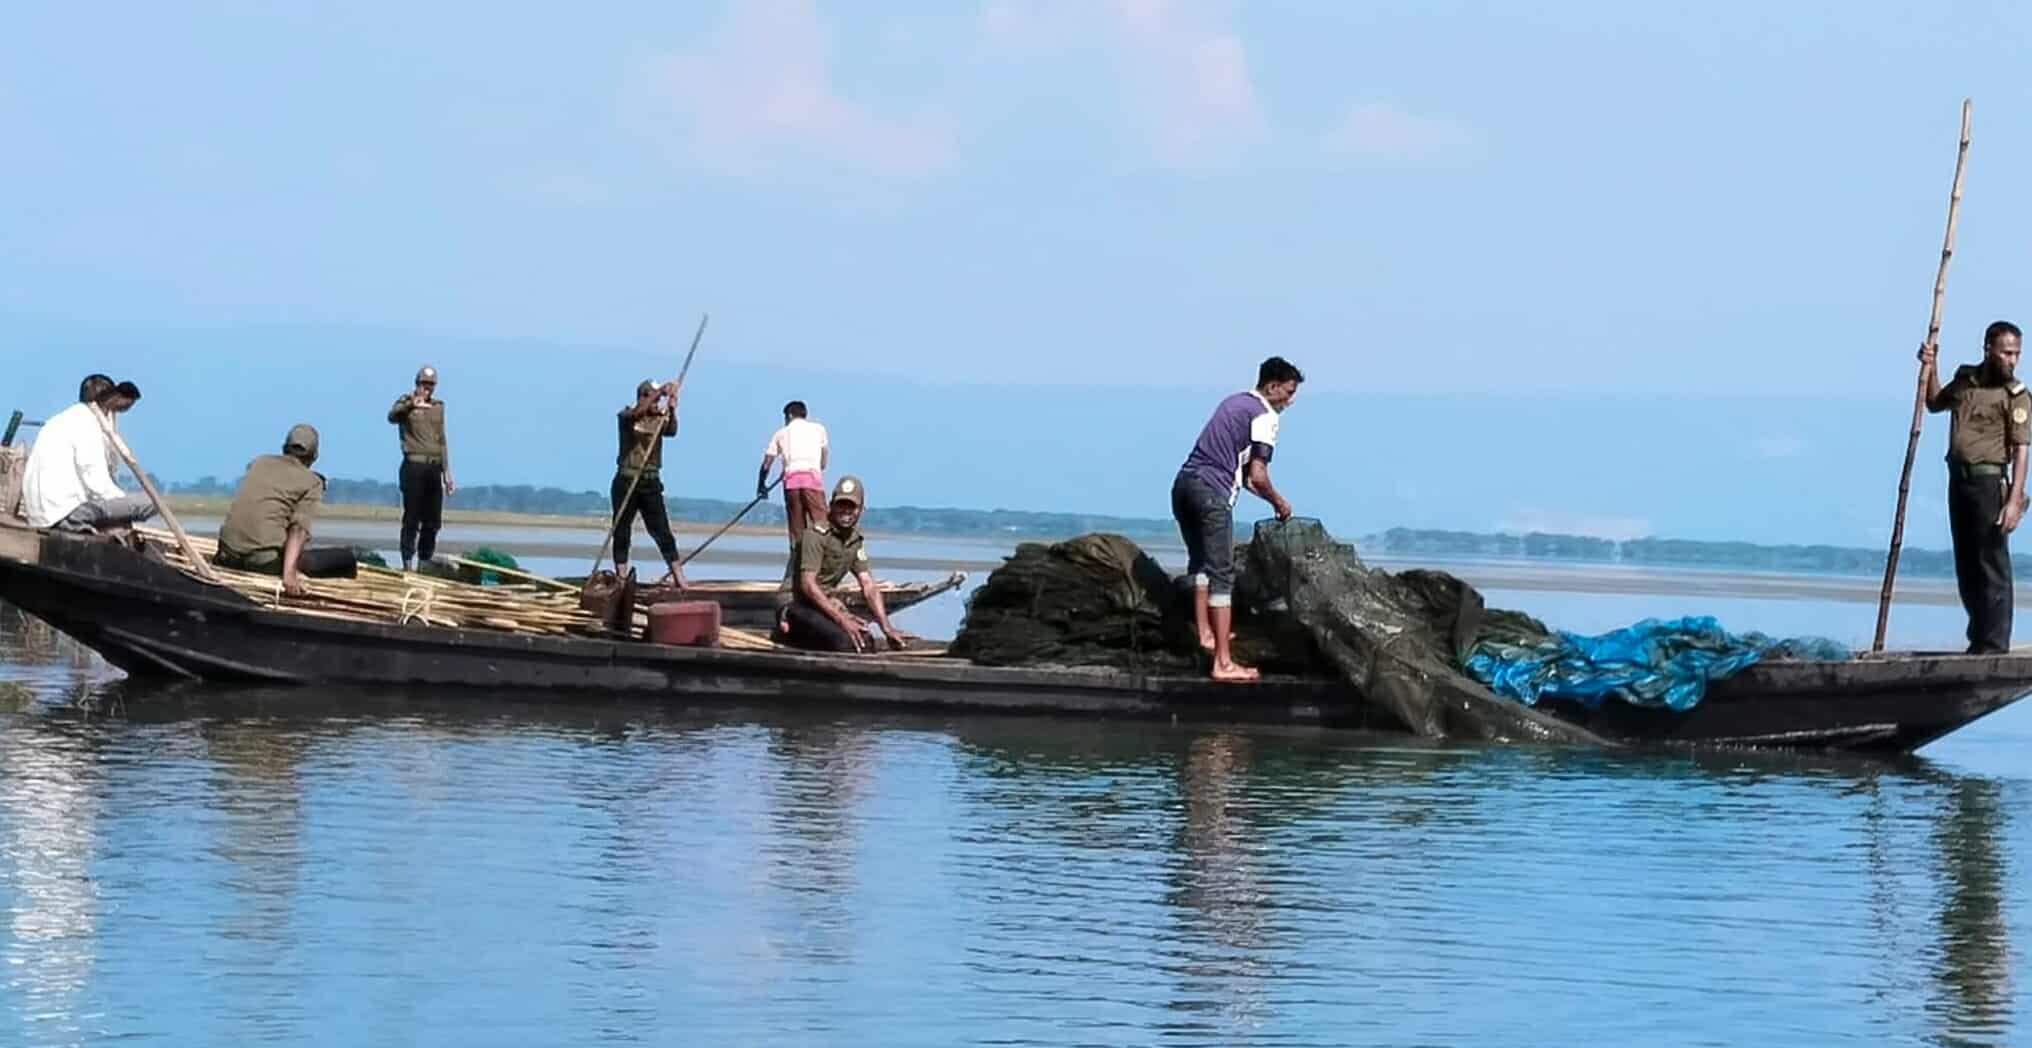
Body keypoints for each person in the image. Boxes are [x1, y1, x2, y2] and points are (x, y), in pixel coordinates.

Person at [1172, 356, 1303, 682]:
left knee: (1200, 565)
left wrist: (1271, 501)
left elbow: (1245, 478)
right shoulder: (1265, 416)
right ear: (1272, 386)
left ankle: (1205, 634)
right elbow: (1258, 475)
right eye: (1288, 392)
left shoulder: (1234, 402)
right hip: (1211, 495)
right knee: (1222, 575)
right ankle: (1223, 663)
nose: (1291, 401)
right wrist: (1279, 501)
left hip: (1184, 486)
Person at [1922, 321, 2031, 653]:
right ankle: (1979, 638)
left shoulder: (2016, 396)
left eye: (2016, 354)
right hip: (1960, 479)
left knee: (1991, 563)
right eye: (2006, 353)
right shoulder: (1966, 380)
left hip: (1989, 483)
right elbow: (1934, 402)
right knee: (1967, 563)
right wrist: (1930, 366)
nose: (2012, 360)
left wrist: (2014, 501)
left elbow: (2022, 450)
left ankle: (1995, 644)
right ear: (1988, 350)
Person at [215, 424, 358, 596]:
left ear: (284, 448)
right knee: (345, 559)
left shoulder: (259, 462)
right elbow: (298, 530)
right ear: (315, 456)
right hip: (261, 560)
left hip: (226, 553)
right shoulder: (312, 482)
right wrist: (289, 575)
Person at [777, 475, 915, 653]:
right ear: (831, 506)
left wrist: (886, 627)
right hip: (795, 604)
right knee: (844, 642)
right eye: (841, 505)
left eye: (851, 506)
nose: (845, 511)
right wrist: (842, 620)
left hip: (821, 605)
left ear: (861, 510)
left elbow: (868, 585)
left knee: (866, 641)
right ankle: (787, 634)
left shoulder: (854, 540)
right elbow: (808, 586)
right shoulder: (816, 535)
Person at [21, 375, 156, 531]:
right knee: (150, 503)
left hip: (41, 515)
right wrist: (122, 504)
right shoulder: (87, 423)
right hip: (64, 513)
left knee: (118, 508)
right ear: (110, 400)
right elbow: (96, 481)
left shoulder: (62, 419)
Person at [612, 379, 686, 588]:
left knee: (661, 531)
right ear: (644, 397)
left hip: (650, 482)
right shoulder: (627, 415)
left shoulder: (659, 419)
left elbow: (672, 431)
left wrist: (672, 409)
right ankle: (621, 578)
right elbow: (637, 413)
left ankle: (679, 578)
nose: (656, 403)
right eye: (653, 398)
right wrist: (660, 391)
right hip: (627, 480)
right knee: (622, 529)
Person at [387, 364, 457, 571]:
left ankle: (424, 559)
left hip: (433, 467)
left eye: (430, 385)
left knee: (433, 520)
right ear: (417, 383)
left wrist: (447, 473)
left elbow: (442, 440)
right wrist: (411, 404)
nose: (427, 388)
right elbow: (392, 416)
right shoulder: (406, 402)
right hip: (414, 466)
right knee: (412, 518)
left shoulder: (438, 407)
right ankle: (407, 561)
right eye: (424, 384)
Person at [757, 400, 830, 545]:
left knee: (797, 530)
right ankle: (823, 552)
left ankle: (797, 553)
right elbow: (823, 463)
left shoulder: (781, 433)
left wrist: (761, 486)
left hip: (791, 483)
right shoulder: (819, 429)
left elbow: (767, 463)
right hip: (812, 481)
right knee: (822, 524)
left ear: (789, 416)